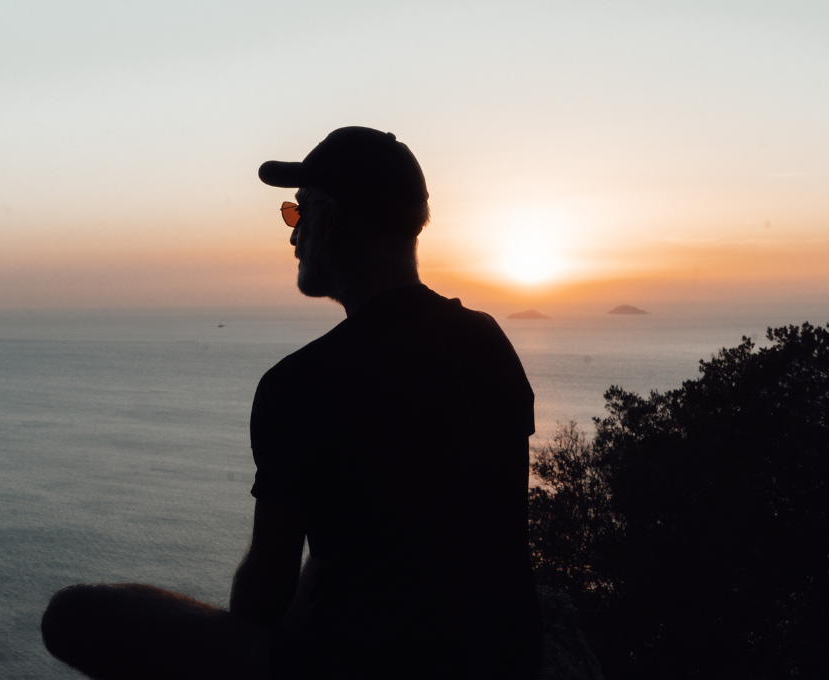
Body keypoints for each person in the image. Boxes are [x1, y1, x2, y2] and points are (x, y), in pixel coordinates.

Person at [41, 126, 542, 679]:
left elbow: (262, 597)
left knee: (73, 616)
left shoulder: (302, 383)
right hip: (502, 655)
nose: (291, 236)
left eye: (296, 214)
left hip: (360, 666)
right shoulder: (487, 342)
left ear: (329, 221)